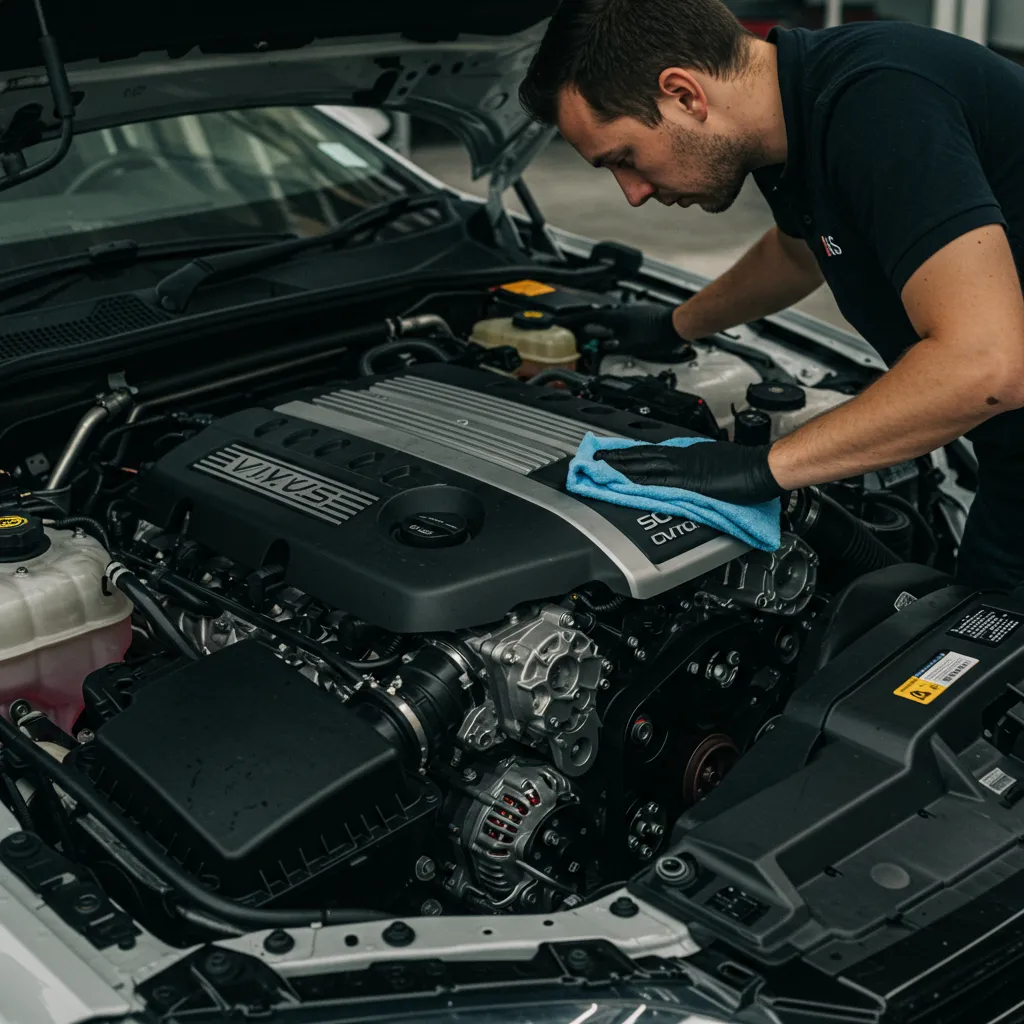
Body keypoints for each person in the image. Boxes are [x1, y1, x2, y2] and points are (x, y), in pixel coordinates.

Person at [518, 0, 1024, 590]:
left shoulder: (880, 104)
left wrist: (762, 468)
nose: (632, 193)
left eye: (624, 158)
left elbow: (986, 366)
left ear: (684, 94)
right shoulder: (797, 113)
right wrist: (674, 324)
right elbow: (798, 251)